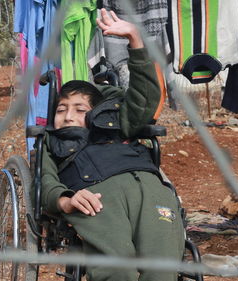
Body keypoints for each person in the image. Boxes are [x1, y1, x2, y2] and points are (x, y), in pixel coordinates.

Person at [40, 9, 184, 281]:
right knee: (118, 272)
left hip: (152, 193)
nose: (69, 115)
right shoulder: (52, 141)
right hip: (96, 199)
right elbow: (45, 181)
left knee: (162, 271)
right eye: (61, 109)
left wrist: (135, 39)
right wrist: (66, 200)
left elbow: (145, 98)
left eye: (79, 109)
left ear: (96, 114)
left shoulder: (120, 125)